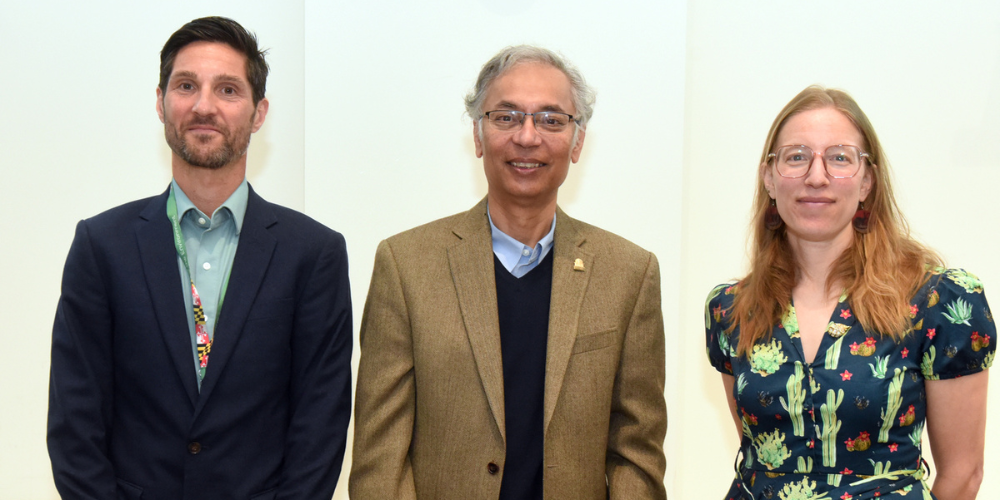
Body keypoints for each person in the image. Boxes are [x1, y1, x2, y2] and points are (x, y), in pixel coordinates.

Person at [47, 16, 352, 500]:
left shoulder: (313, 254)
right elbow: (74, 423)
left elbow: (320, 426)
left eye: (228, 90)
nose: (204, 106)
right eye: (186, 86)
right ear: (160, 102)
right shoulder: (101, 246)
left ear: (259, 112)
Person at [349, 45, 667, 499]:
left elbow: (637, 453)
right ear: (478, 135)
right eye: (507, 117)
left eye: (551, 120)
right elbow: (380, 458)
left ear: (577, 142)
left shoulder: (629, 274)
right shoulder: (405, 266)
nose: (528, 136)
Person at [705, 86, 995, 499]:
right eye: (796, 157)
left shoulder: (938, 302)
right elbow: (762, 459)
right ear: (769, 178)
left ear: (866, 182)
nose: (816, 176)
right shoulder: (731, 310)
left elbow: (963, 475)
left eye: (839, 158)